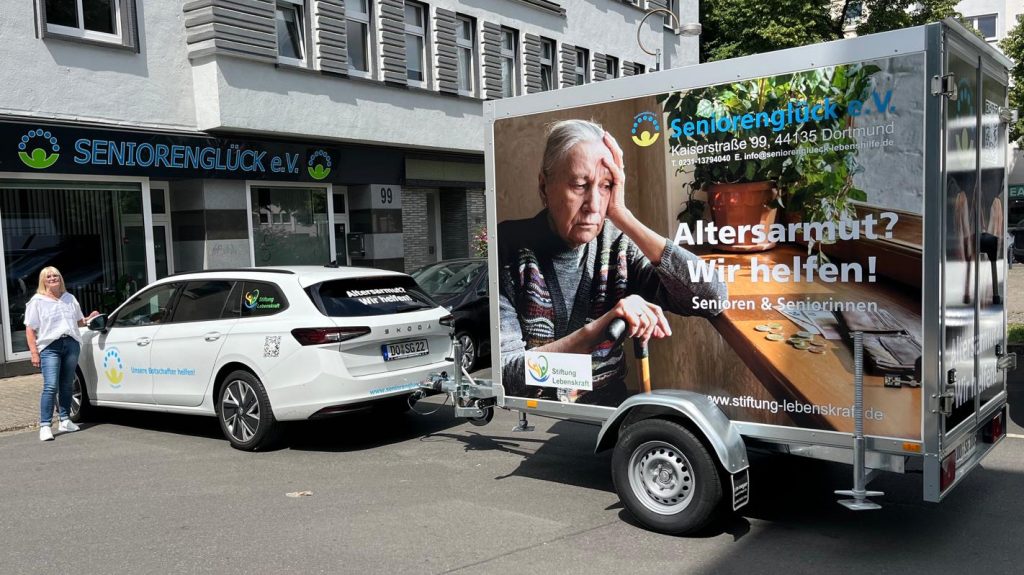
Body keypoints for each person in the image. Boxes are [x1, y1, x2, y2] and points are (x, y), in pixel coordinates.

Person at [498, 119, 728, 405]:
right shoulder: (509, 246)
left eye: (606, 186)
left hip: (606, 413)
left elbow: (712, 297)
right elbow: (506, 374)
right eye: (580, 185)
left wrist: (622, 215)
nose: (594, 204)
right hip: (531, 416)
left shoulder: (618, 245)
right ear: (545, 186)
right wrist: (599, 329)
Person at [24, 266, 99, 441]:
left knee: (67, 385)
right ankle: (45, 425)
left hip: (71, 344)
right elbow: (30, 329)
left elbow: (79, 322)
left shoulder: (69, 298)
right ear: (43, 281)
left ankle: (65, 419)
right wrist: (34, 352)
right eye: (48, 276)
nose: (52, 278)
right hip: (50, 347)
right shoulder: (37, 301)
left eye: (56, 275)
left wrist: (90, 318)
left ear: (61, 279)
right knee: (51, 386)